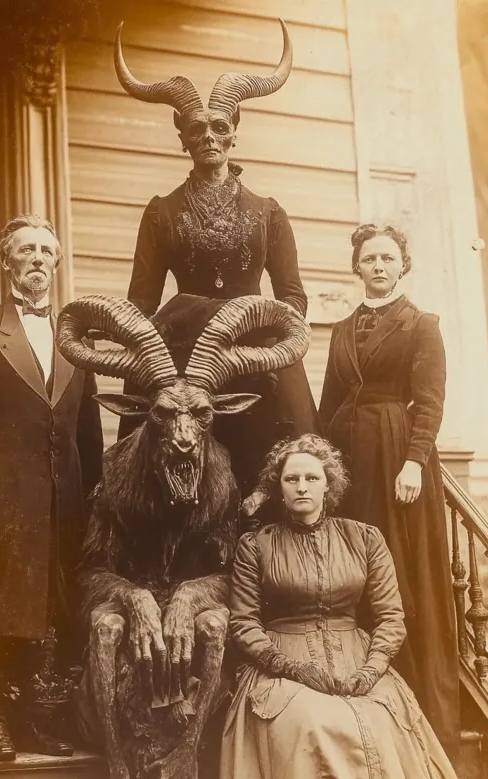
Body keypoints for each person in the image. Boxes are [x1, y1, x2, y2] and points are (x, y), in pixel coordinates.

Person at [220, 434, 488, 779]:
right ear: (278, 488)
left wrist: (371, 669)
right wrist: (293, 667)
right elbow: (244, 625)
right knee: (314, 727)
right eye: (291, 478)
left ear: (330, 484)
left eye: (312, 477)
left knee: (378, 729)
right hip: (283, 666)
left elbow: (391, 617)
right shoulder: (256, 546)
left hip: (359, 661)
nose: (302, 487)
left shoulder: (364, 538)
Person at [113, 20, 319, 494]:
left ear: (233, 135)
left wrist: (265, 345)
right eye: (196, 129)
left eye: (219, 127)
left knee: (282, 455)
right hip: (184, 360)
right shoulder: (161, 212)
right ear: (182, 138)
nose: (208, 136)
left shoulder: (268, 213)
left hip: (253, 353)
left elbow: (293, 297)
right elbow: (141, 301)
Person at [0, 214, 104, 762]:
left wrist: (96, 509)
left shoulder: (77, 341)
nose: (37, 258)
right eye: (26, 249)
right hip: (0, 500)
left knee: (49, 607)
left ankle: (32, 718)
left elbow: (89, 435)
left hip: (64, 503)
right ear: (6, 261)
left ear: (57, 263)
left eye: (46, 251)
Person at [318, 224, 460, 757]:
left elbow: (430, 401)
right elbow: (328, 402)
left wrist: (414, 462)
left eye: (388, 258)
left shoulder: (421, 325)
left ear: (403, 265)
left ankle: (420, 706)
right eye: (369, 258)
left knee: (400, 567)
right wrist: (319, 463)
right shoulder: (341, 330)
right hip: (350, 464)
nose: (378, 266)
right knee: (355, 566)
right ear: (356, 266)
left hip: (397, 456)